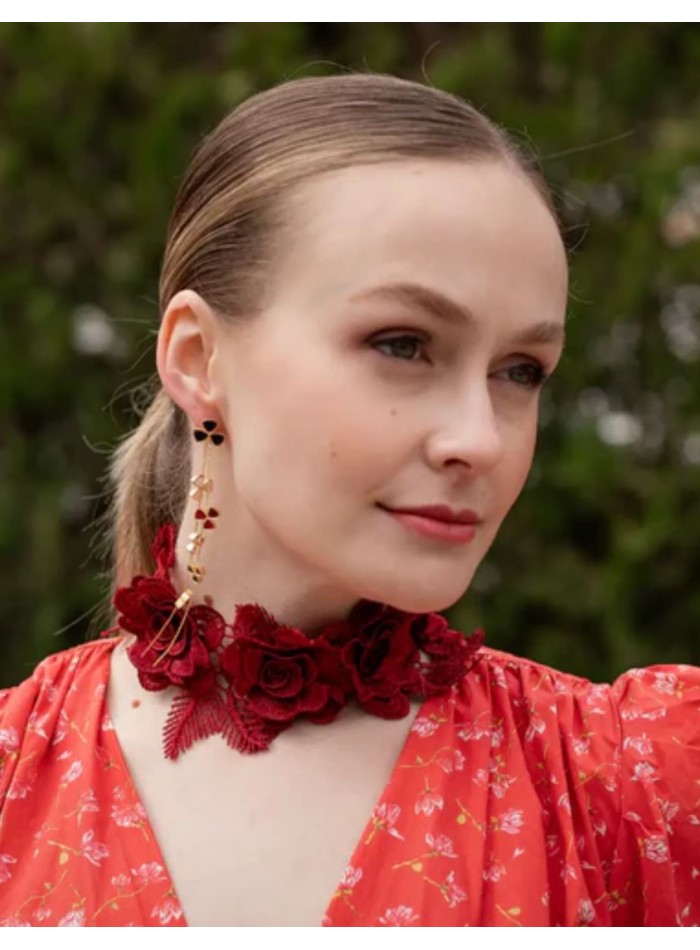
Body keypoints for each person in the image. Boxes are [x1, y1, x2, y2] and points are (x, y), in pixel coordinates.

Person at [0, 72, 698, 929]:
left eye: (521, 371)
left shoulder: (635, 789)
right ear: (197, 358)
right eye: (402, 344)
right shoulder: (13, 779)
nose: (480, 439)